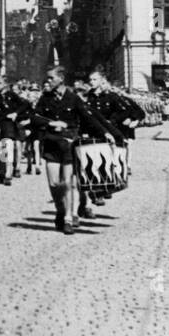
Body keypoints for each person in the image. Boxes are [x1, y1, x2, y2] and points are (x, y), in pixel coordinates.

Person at [31, 66, 109, 234]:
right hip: (51, 145)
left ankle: (68, 217)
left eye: (51, 78)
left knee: (67, 183)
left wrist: (106, 133)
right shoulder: (45, 98)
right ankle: (60, 210)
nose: (48, 81)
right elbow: (34, 117)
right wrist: (50, 123)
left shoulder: (73, 98)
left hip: (68, 145)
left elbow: (88, 117)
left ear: (60, 79)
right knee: (54, 184)